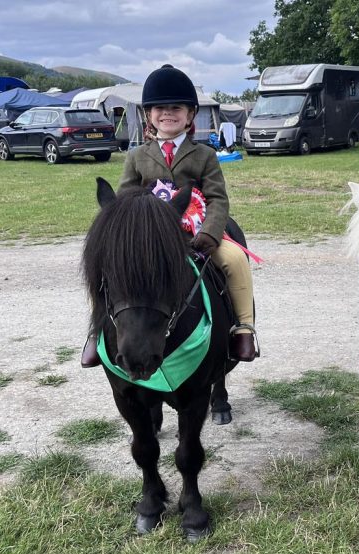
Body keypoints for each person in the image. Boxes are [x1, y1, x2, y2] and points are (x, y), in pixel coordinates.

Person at [81, 64, 258, 366]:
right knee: (108, 266)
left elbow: (217, 198)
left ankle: (242, 329)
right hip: (149, 237)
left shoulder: (205, 155)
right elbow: (126, 197)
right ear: (149, 115)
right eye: (160, 108)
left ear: (190, 115)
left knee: (235, 259)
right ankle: (97, 331)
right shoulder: (137, 156)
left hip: (197, 233)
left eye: (176, 108)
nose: (168, 113)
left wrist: (210, 234)